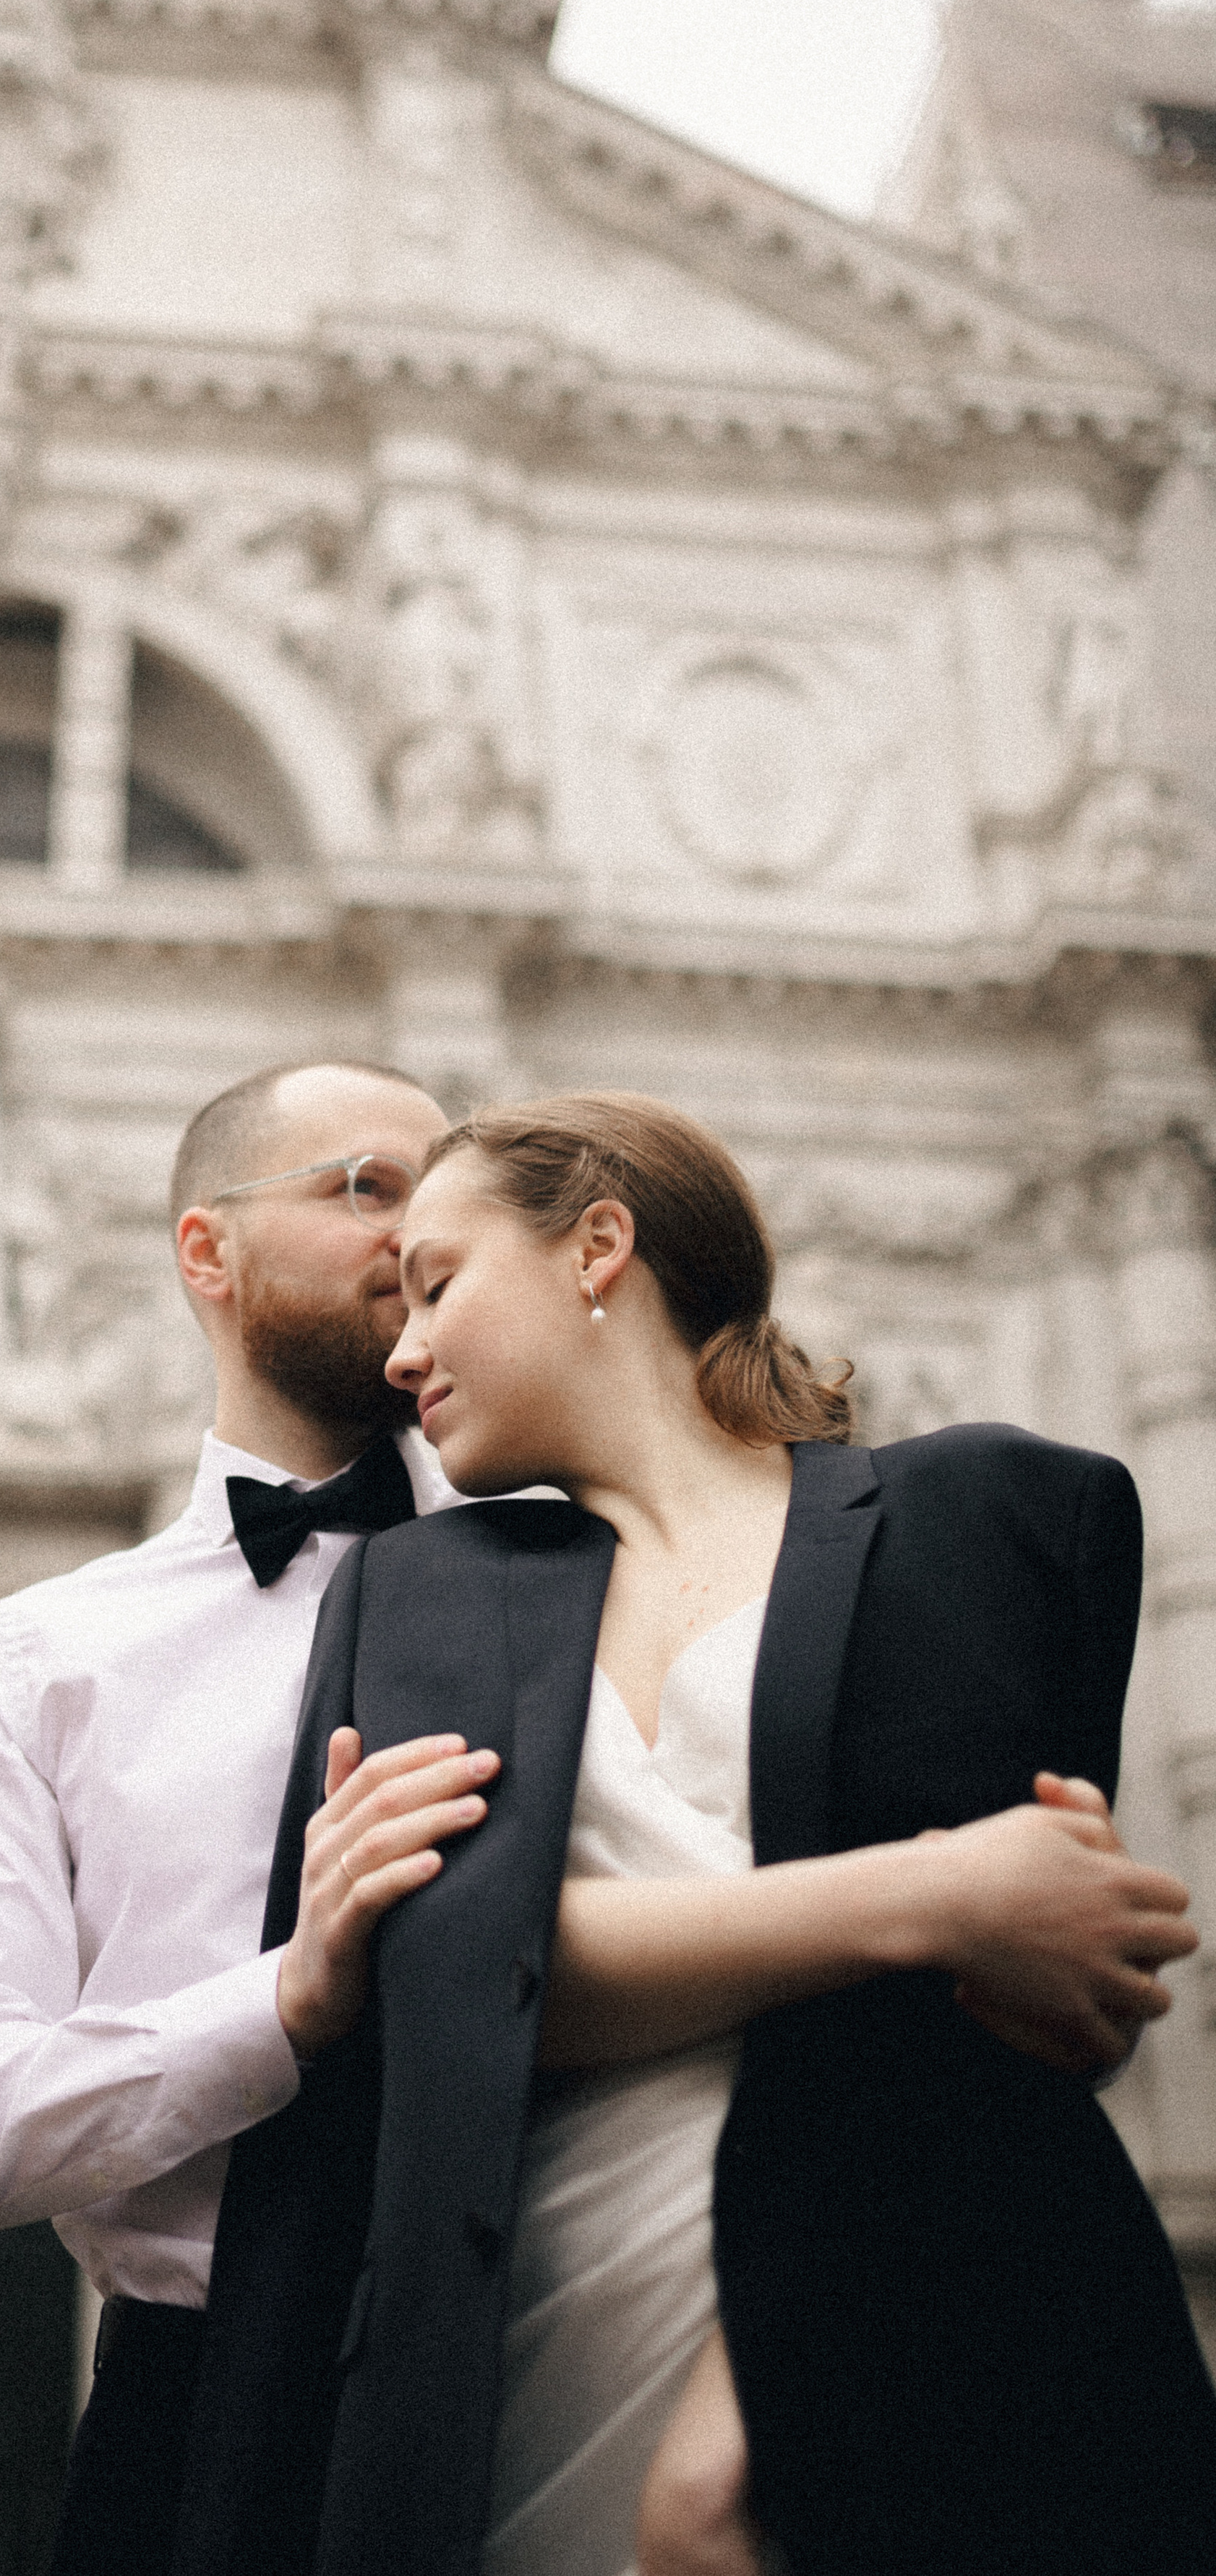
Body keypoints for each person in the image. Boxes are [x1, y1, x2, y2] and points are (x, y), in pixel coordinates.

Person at [175, 1091, 1216, 2576]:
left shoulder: (983, 1516)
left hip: (908, 2359)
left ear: (597, 1246)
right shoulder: (419, 1593)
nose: (399, 1353)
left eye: (437, 1284)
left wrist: (754, 2400)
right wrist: (930, 1890)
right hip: (510, 2377)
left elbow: (1028, 2005)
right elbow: (447, 1994)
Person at [0, 1057, 505, 2576]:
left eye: (449, 1198)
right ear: (204, 1254)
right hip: (193, 2415)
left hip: (551, 2366)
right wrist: (276, 2004)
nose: (418, 1238)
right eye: (363, 1187)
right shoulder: (37, 1664)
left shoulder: (584, 1585)